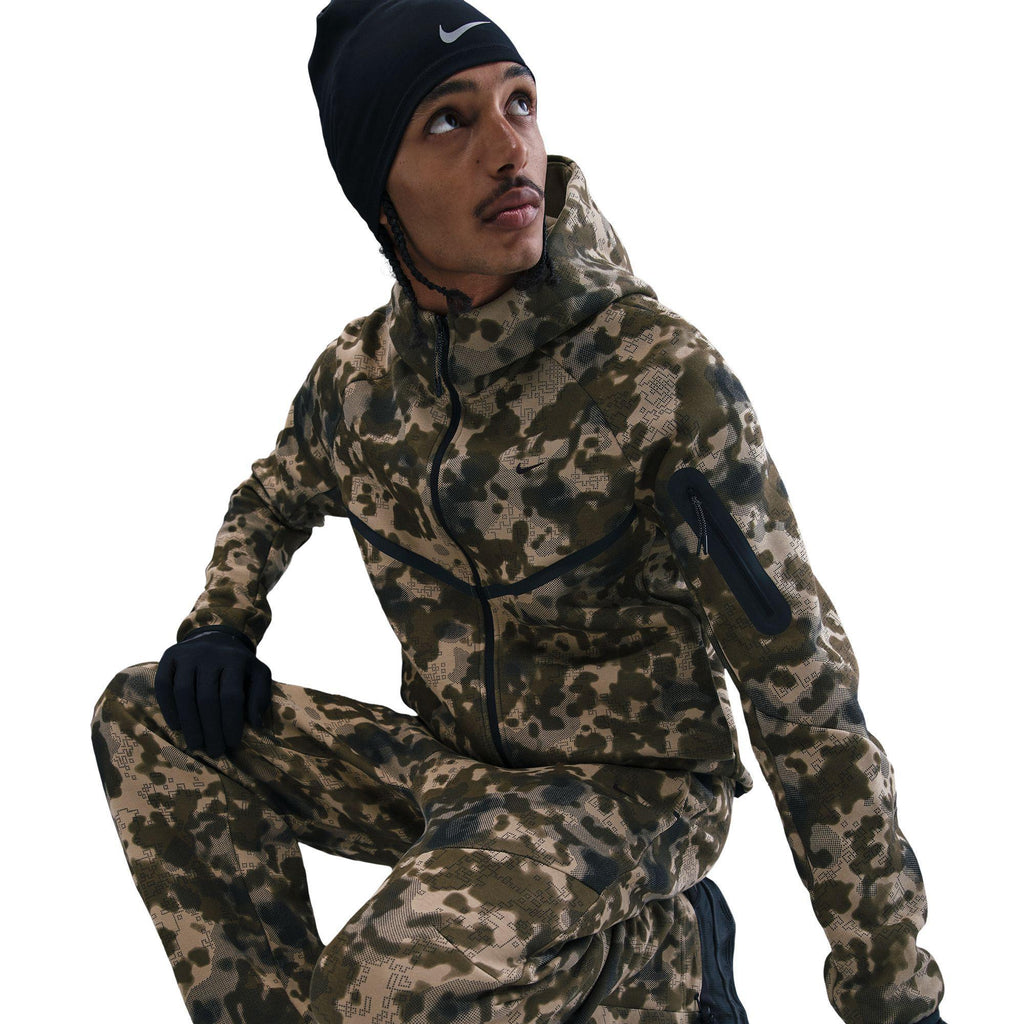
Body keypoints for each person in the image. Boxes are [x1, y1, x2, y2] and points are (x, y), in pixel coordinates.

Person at [90, 2, 948, 1022]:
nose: (511, 150)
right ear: (378, 193)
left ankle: (663, 953)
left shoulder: (655, 381)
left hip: (628, 793)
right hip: (452, 774)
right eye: (448, 121)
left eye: (521, 103)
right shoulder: (361, 381)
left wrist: (892, 990)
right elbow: (273, 493)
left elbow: (800, 686)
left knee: (386, 986)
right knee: (148, 716)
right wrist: (221, 624)